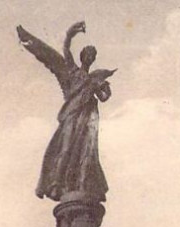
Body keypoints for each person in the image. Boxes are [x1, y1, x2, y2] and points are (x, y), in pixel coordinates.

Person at [17, 22, 115, 201]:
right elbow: (64, 50)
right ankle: (55, 184)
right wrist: (70, 33)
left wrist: (104, 88)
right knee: (66, 147)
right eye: (87, 54)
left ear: (93, 60)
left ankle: (82, 183)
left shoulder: (94, 79)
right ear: (82, 56)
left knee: (87, 151)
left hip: (87, 119)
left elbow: (104, 97)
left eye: (92, 55)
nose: (90, 57)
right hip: (71, 116)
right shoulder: (71, 71)